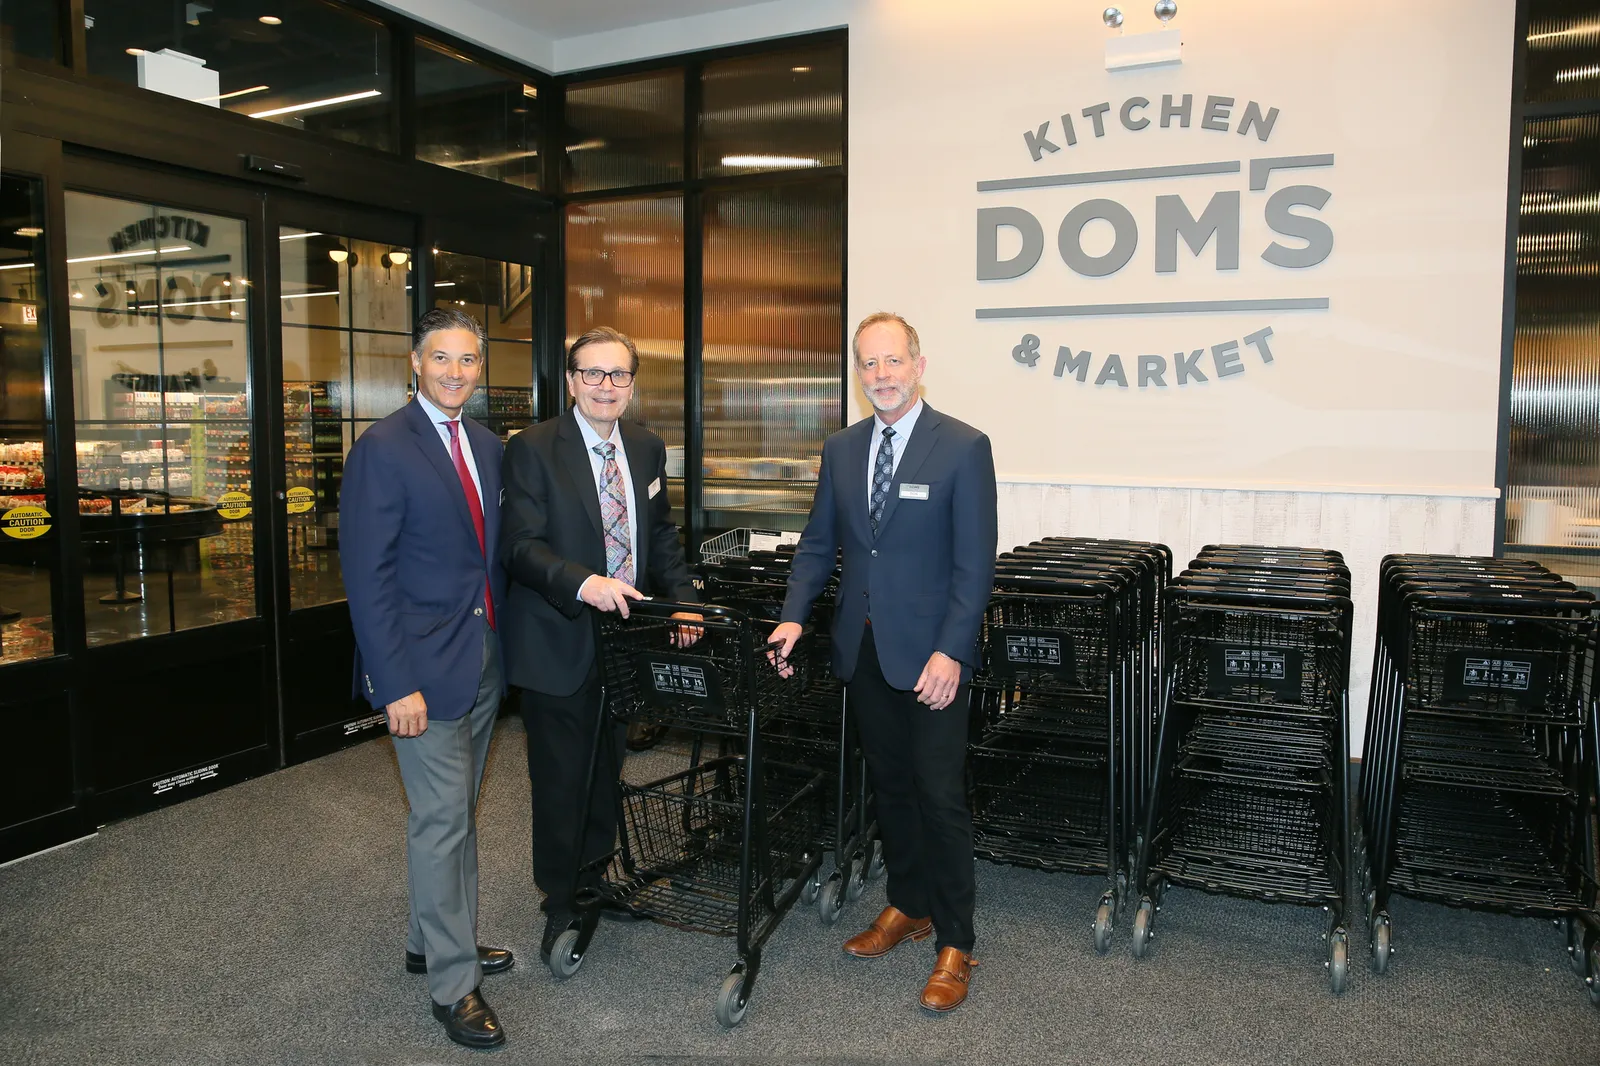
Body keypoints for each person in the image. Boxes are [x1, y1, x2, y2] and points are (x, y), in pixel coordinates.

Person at [770, 312, 997, 1013]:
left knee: (938, 794)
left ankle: (956, 941)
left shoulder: (962, 446)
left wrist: (951, 650)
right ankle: (909, 903)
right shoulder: (842, 449)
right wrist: (792, 614)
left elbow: (974, 564)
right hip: (862, 649)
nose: (880, 376)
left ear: (919, 365)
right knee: (890, 786)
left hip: (933, 658)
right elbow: (818, 545)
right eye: (868, 364)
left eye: (892, 361)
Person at [499, 326, 701, 965]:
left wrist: (684, 595)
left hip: (625, 640)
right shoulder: (532, 448)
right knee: (561, 776)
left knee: (607, 765)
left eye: (618, 375)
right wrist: (585, 584)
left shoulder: (645, 447)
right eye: (593, 374)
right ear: (571, 380)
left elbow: (659, 533)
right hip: (558, 634)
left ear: (633, 384)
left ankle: (595, 873)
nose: (605, 386)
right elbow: (521, 547)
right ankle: (562, 898)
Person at [341, 307, 513, 1050]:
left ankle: (428, 939)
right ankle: (453, 984)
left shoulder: (485, 444)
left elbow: (485, 558)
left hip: (480, 660)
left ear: (480, 369)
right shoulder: (382, 447)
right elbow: (366, 575)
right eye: (441, 358)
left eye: (468, 360)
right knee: (443, 822)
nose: (454, 371)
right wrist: (392, 681)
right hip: (418, 672)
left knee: (453, 818)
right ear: (415, 364)